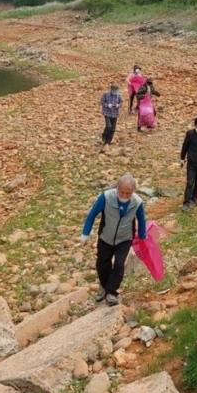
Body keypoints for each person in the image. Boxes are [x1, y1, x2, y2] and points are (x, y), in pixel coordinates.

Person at [80, 174, 148, 306]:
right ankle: (104, 286)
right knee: (102, 263)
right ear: (117, 187)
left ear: (133, 191)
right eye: (121, 192)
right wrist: (85, 233)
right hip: (106, 236)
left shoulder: (137, 202)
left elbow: (141, 218)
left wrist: (142, 235)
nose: (124, 195)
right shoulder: (106, 197)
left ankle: (111, 292)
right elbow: (93, 213)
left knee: (119, 264)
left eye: (128, 193)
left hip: (124, 238)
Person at [100, 83, 123, 149]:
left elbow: (121, 102)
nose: (114, 91)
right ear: (111, 89)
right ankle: (104, 135)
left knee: (113, 129)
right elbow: (102, 102)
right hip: (107, 112)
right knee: (108, 126)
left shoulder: (118, 95)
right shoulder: (106, 94)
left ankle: (108, 141)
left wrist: (118, 105)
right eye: (113, 89)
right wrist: (108, 105)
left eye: (115, 90)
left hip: (115, 113)